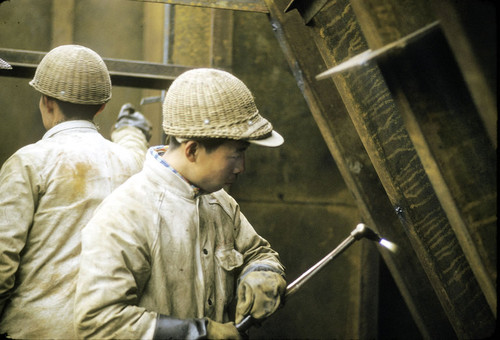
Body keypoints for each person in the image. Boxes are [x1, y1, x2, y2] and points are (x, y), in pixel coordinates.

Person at [74, 68, 287, 339]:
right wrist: (199, 333)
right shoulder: (126, 215)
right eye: (236, 156)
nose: (241, 168)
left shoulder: (220, 203)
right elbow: (97, 322)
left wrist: (262, 273)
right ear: (193, 150)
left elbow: (257, 253)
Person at [0, 44, 151, 339]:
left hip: (35, 330)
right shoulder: (132, 162)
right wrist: (132, 132)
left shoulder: (29, 161)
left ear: (46, 102)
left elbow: (2, 258)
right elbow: (135, 152)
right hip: (110, 331)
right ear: (102, 106)